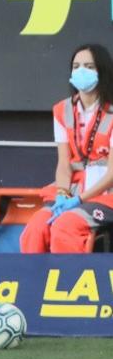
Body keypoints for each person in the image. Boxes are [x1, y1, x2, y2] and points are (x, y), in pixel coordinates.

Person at [21, 43, 113, 254]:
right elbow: (64, 163)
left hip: (106, 195)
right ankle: (32, 284)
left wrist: (80, 200)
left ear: (103, 71)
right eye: (77, 66)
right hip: (73, 191)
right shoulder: (62, 110)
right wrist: (63, 194)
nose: (81, 71)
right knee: (35, 228)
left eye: (89, 66)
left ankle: (67, 284)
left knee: (65, 226)